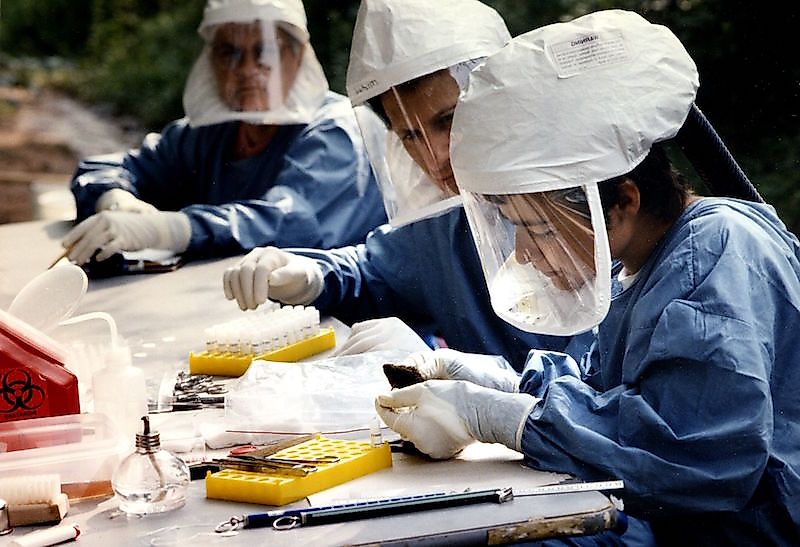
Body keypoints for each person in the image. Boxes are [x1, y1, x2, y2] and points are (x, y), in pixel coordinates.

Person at [374, 10, 800, 544]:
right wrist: (502, 385)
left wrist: (499, 419)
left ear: (620, 202)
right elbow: (621, 400)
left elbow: (693, 458)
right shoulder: (651, 262)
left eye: (538, 229)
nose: (526, 256)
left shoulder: (716, 257)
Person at [221, 0, 592, 370]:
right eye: (410, 135)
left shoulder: (584, 204)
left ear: (501, 96)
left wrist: (455, 372)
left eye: (447, 121)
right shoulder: (447, 220)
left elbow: (605, 398)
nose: (434, 159)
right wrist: (311, 275)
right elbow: (378, 270)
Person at [61, 0, 387, 266]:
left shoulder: (337, 131)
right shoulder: (211, 133)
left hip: (347, 330)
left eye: (265, 52)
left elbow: (291, 220)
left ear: (297, 55)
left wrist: (172, 230)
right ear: (210, 60)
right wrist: (114, 197)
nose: (246, 70)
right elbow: (109, 167)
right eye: (229, 53)